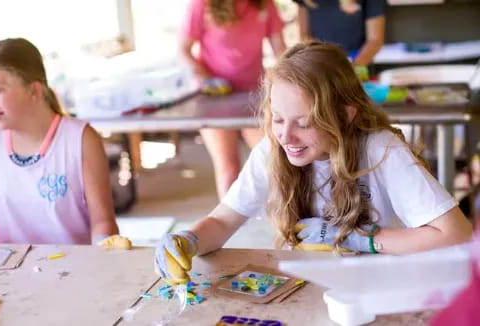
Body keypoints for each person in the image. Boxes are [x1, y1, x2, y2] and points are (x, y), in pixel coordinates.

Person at [155, 42, 473, 285]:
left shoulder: (380, 149)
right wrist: (190, 239)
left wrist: (359, 239)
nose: (286, 136)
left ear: (345, 115)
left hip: (382, 283)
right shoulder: (271, 150)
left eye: (304, 123)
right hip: (311, 282)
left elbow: (454, 233)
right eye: (278, 119)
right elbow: (223, 222)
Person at [0, 38, 121, 245]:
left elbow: (103, 222)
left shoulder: (80, 138)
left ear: (34, 91)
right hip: (8, 273)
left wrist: (105, 258)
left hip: (73, 270)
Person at [181, 0, 286, 198]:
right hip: (215, 97)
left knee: (274, 162)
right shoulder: (202, 4)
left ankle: (283, 223)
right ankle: (229, 226)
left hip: (254, 95)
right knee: (228, 167)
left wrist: (289, 81)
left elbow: (280, 51)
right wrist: (204, 79)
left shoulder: (264, 4)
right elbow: (183, 49)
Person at [294, 0, 386, 66]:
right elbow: (305, 36)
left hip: (358, 65)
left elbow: (375, 40)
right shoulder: (305, 2)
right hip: (322, 66)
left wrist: (352, 68)